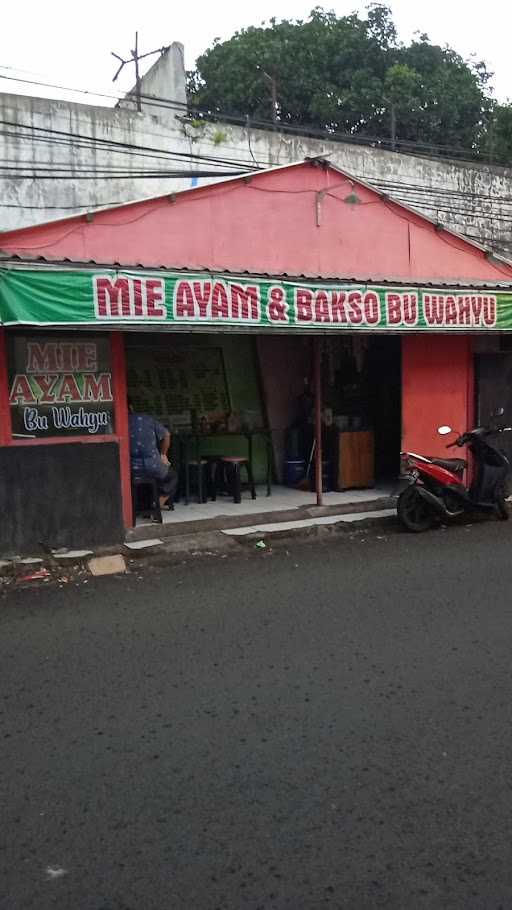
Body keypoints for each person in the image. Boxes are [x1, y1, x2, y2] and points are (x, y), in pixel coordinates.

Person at [128, 401, 178, 510]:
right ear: (131, 407)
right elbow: (166, 434)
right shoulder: (147, 419)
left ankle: (145, 503)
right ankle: (158, 502)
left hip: (130, 469)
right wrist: (163, 455)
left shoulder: (118, 421)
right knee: (172, 476)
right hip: (153, 465)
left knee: (145, 481)